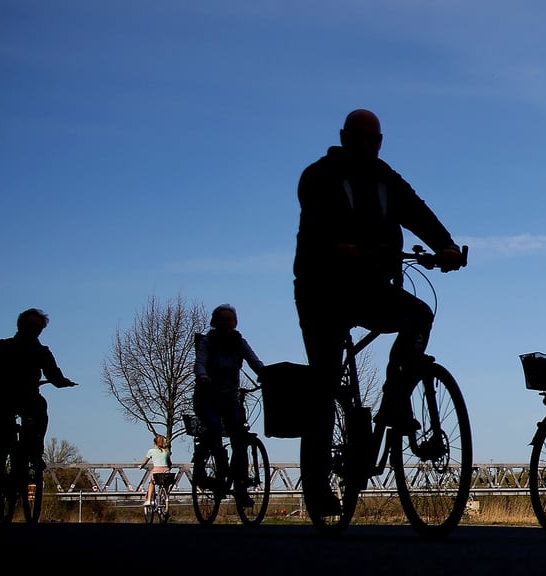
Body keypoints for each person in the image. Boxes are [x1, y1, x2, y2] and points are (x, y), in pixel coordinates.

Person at [293, 109, 464, 514]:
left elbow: (417, 211)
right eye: (361, 138)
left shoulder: (387, 178)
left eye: (375, 139)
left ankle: (396, 397)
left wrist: (447, 246)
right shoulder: (320, 176)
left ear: (381, 142)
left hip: (369, 287)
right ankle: (317, 489)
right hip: (322, 291)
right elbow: (315, 222)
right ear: (344, 137)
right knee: (325, 380)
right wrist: (336, 247)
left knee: (419, 316)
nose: (369, 146)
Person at [0, 308, 77, 513]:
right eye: (34, 326)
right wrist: (63, 382)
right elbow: (55, 377)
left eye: (36, 326)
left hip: (0, 399)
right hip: (10, 400)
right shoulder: (38, 351)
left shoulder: (5, 346)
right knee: (2, 443)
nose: (34, 330)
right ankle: (32, 454)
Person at [193, 304, 264, 505]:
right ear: (215, 322)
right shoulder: (208, 341)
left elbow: (254, 361)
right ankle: (204, 471)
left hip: (230, 398)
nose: (226, 322)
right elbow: (200, 361)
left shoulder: (239, 342)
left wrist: (266, 375)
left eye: (229, 319)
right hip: (207, 396)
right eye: (222, 319)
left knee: (240, 438)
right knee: (214, 428)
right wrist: (202, 375)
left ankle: (240, 485)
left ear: (235, 323)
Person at [138, 434, 172, 506]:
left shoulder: (151, 451)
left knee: (152, 483)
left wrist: (141, 465)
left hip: (156, 471)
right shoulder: (167, 451)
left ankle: (149, 500)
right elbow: (169, 463)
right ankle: (165, 497)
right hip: (166, 471)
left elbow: (145, 461)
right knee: (166, 484)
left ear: (154, 442)